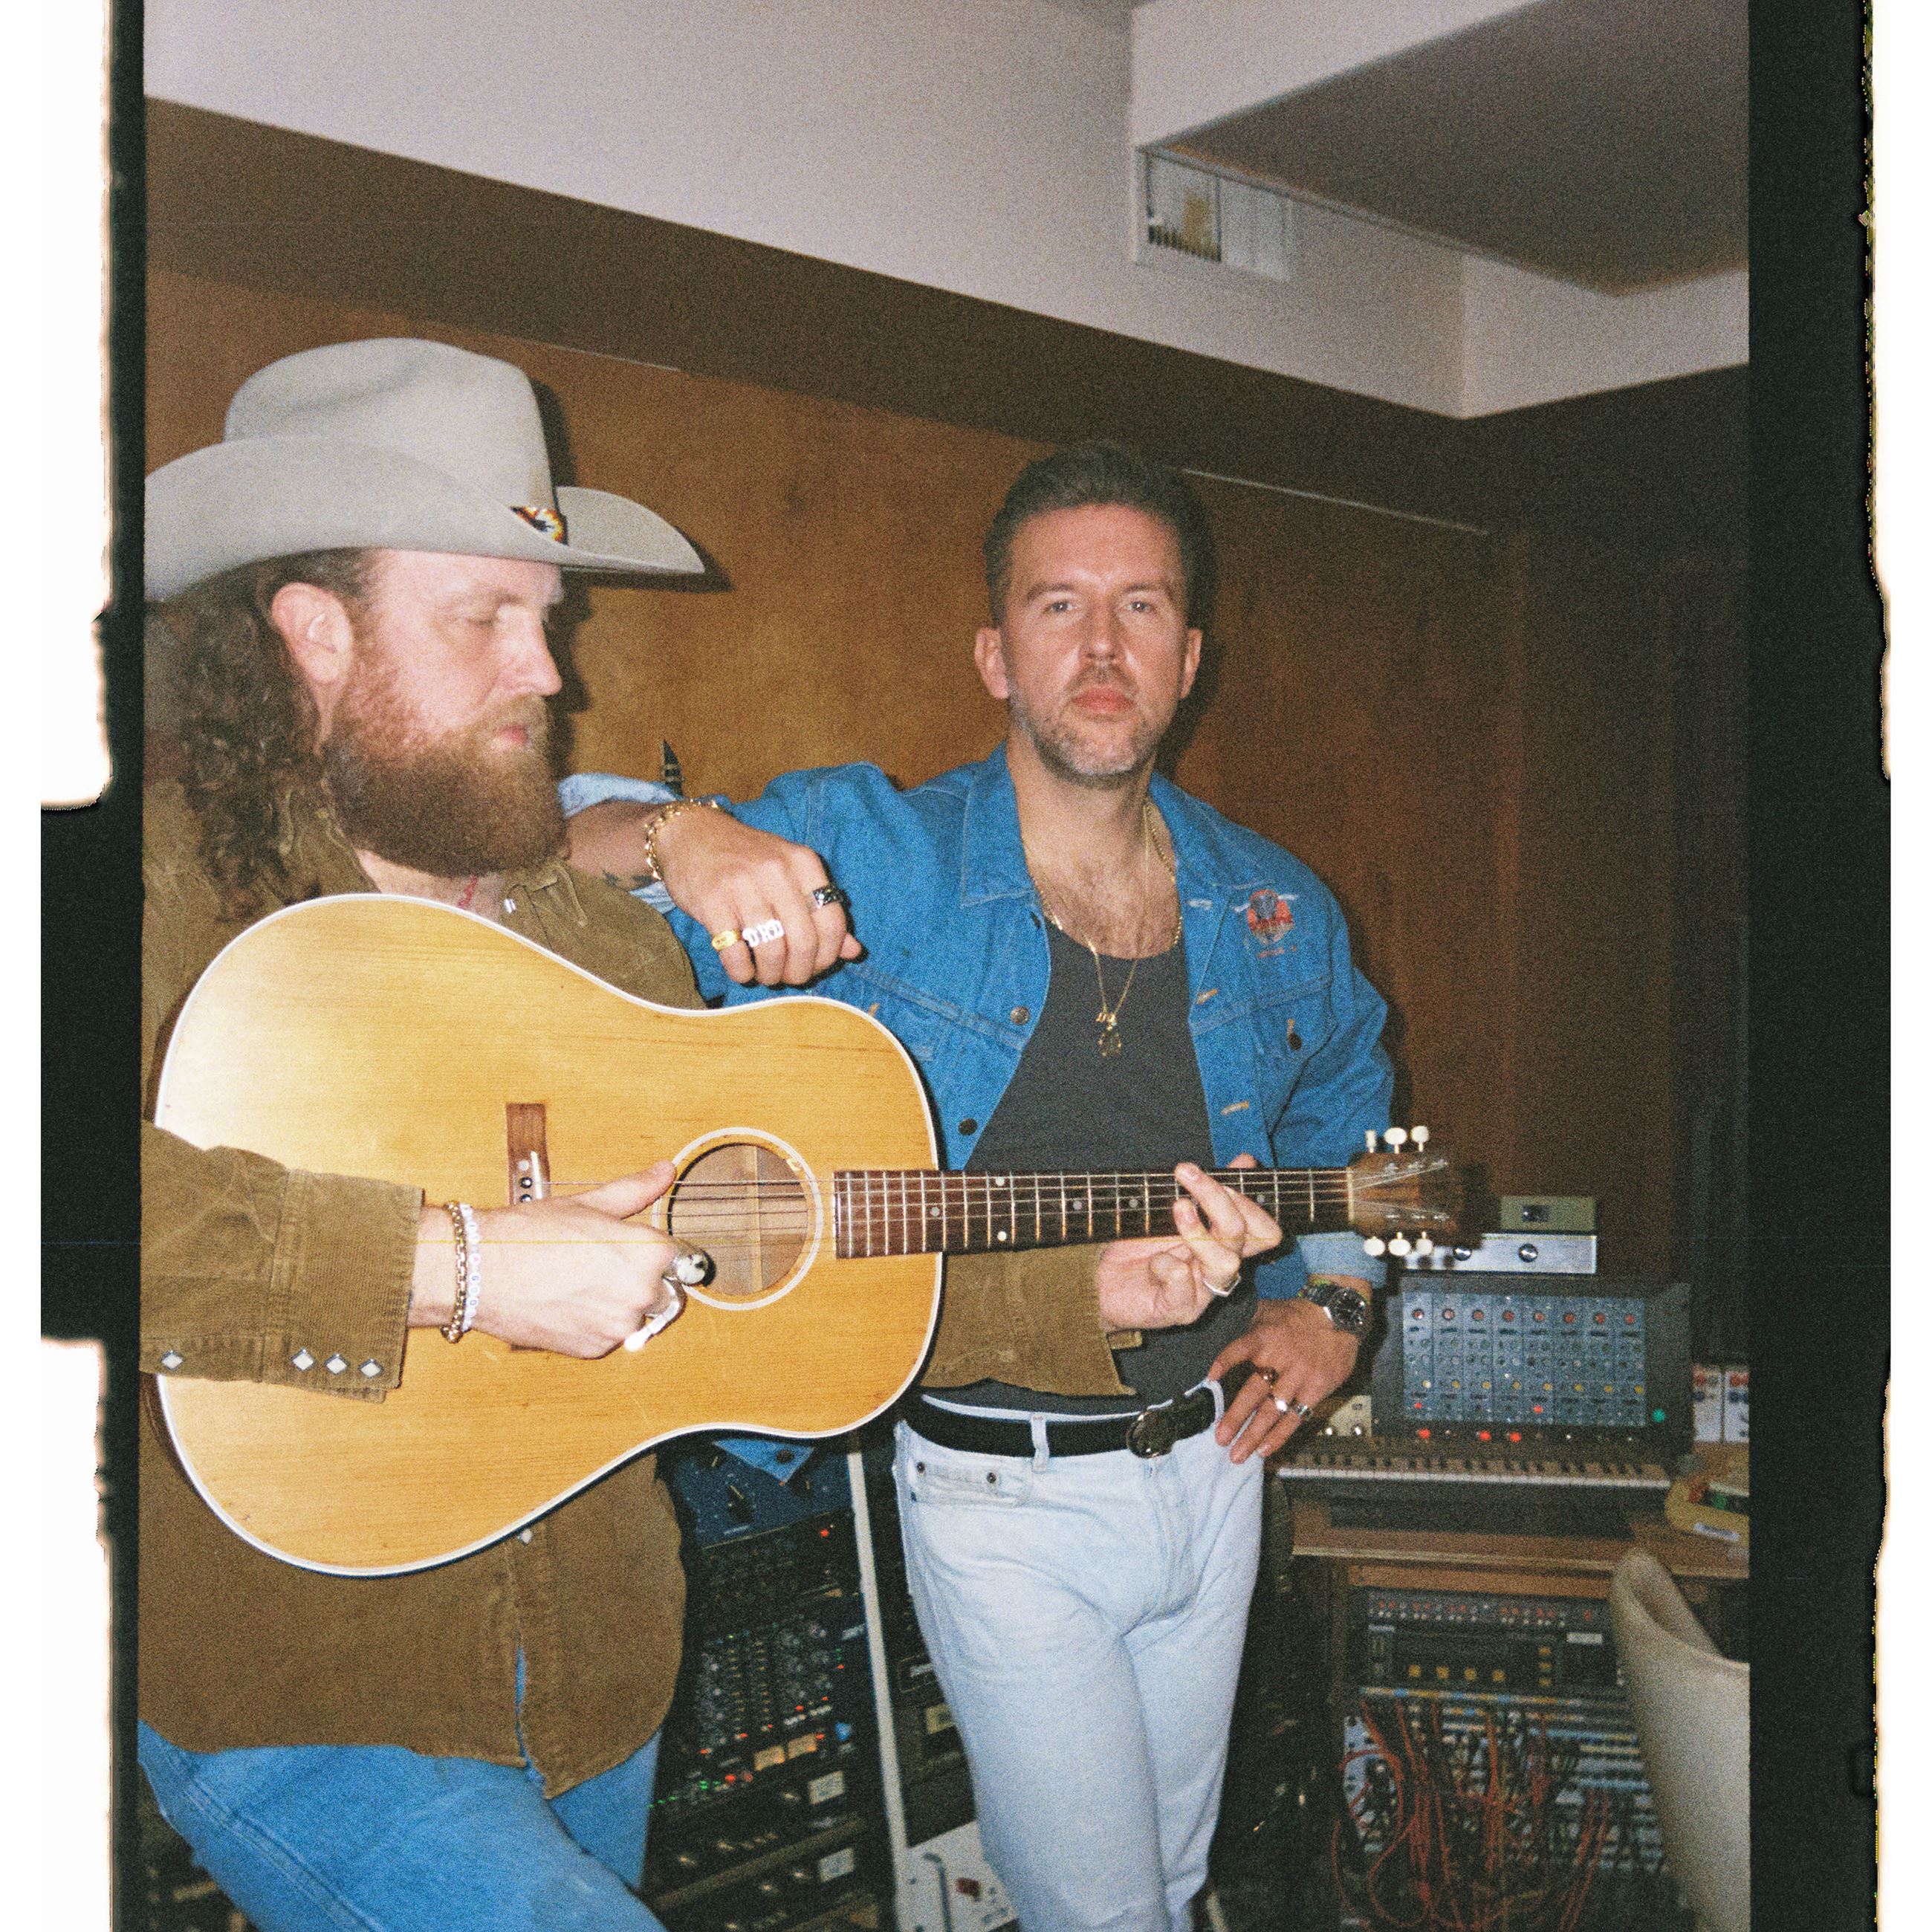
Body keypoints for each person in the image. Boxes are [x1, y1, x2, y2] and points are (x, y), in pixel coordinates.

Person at [563, 441, 1394, 1932]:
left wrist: (1334, 1299)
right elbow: (539, 876)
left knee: (1171, 1882)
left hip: (1216, 1468)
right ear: (994, 654)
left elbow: (1346, 1090)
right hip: (1000, 1490)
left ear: (1188, 657)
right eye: (1055, 605)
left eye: (1139, 608)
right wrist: (676, 831)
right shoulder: (875, 853)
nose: (1097, 646)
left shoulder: (1273, 907)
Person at [137, 337, 727, 1932]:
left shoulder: (618, 952)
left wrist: (1084, 1283)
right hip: (299, 1691)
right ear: (313, 637)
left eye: (547, 619)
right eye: (483, 619)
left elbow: (766, 1239)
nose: (551, 672)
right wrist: (455, 1264)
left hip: (597, 1686)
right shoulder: (133, 891)